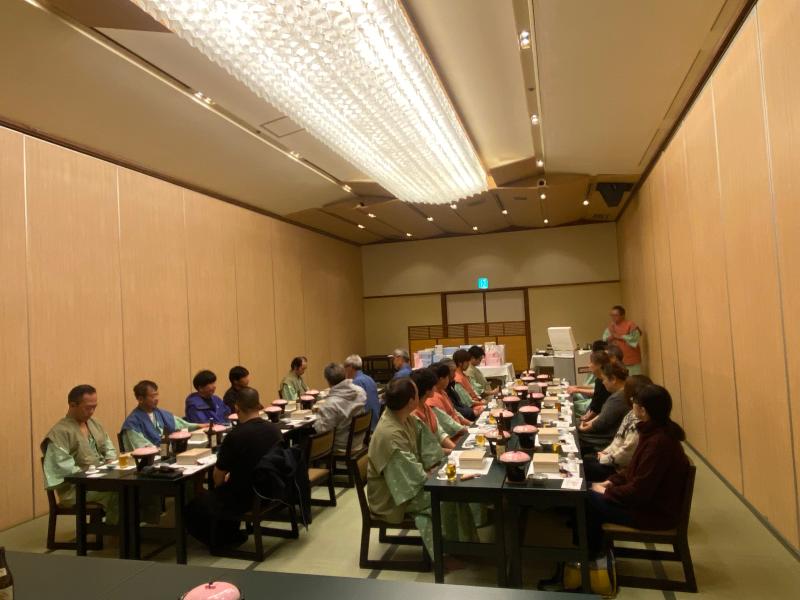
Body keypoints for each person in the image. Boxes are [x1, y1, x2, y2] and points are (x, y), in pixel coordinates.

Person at [586, 384, 689, 554]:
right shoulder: (654, 432)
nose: (631, 403)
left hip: (652, 513)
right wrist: (611, 482)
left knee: (586, 498)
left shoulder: (659, 443)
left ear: (642, 410)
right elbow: (633, 470)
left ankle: (593, 557)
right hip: (645, 503)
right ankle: (595, 551)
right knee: (586, 487)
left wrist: (607, 492)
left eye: (634, 401)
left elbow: (639, 492)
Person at [187, 387, 283, 547]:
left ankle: (221, 541)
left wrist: (221, 488)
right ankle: (230, 533)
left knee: (195, 506)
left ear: (237, 408)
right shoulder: (275, 429)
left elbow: (218, 477)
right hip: (273, 488)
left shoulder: (236, 435)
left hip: (247, 496)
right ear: (259, 405)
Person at [367, 377, 434, 557]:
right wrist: (431, 475)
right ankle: (445, 553)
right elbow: (410, 477)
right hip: (391, 497)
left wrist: (436, 465)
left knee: (448, 489)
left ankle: (456, 545)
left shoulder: (403, 418)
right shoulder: (390, 434)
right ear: (411, 401)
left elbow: (427, 446)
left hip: (404, 483)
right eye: (417, 393)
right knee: (444, 497)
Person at [42, 385, 118, 524]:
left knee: (132, 488)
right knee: (119, 492)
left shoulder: (94, 423)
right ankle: (116, 530)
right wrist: (95, 472)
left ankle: (128, 529)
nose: (92, 411)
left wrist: (110, 461)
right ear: (72, 405)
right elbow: (64, 469)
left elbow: (109, 448)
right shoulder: (59, 432)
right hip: (76, 489)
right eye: (88, 408)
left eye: (94, 407)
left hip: (100, 480)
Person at [583, 375, 652, 482]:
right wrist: (605, 453)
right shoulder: (631, 414)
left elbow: (626, 454)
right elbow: (617, 439)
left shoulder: (640, 425)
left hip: (620, 469)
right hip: (613, 458)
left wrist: (605, 458)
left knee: (584, 466)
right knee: (585, 460)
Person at [121, 380, 200, 451]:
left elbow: (182, 425)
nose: (156, 399)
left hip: (168, 453)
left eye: (157, 395)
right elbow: (141, 447)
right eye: (153, 396)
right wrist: (163, 450)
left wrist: (200, 426)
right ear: (140, 399)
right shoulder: (132, 423)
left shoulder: (161, 413)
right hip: (151, 459)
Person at [313, 363, 367, 454]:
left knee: (304, 442)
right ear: (345, 375)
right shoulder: (360, 391)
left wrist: (318, 416)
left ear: (328, 381)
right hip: (359, 441)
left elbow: (323, 432)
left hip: (342, 446)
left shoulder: (330, 404)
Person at [578, 362, 629, 454]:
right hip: (611, 436)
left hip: (606, 439)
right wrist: (587, 423)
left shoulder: (617, 399)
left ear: (613, 379)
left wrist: (582, 427)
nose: (603, 382)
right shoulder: (624, 393)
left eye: (604, 379)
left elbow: (600, 424)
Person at [428, 362, 472, 427]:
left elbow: (454, 413)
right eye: (447, 377)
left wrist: (470, 424)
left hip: (460, 427)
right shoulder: (433, 398)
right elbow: (447, 423)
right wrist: (465, 428)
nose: (449, 379)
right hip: (455, 431)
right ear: (441, 379)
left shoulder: (443, 392)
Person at [344, 354, 381, 431]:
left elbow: (351, 407)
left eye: (345, 367)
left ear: (350, 367)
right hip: (376, 421)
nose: (345, 371)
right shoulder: (369, 378)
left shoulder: (356, 382)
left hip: (367, 426)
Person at [603, 305, 642, 375]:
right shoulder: (610, 327)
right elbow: (605, 339)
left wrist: (619, 336)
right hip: (617, 359)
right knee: (621, 378)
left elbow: (635, 338)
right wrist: (610, 338)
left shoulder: (630, 324)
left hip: (631, 358)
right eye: (611, 315)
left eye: (615, 315)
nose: (613, 317)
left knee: (634, 378)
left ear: (623, 315)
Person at [577, 351, 612, 422]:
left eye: (591, 362)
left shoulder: (603, 382)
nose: (588, 365)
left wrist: (585, 420)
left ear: (599, 365)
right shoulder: (598, 380)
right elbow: (594, 406)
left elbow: (597, 409)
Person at [452, 349, 485, 417]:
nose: (468, 364)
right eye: (467, 362)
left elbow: (473, 391)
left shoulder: (463, 375)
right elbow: (467, 402)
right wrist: (481, 403)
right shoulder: (457, 379)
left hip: (476, 402)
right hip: (471, 408)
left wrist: (480, 400)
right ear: (460, 363)